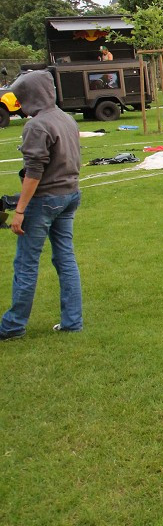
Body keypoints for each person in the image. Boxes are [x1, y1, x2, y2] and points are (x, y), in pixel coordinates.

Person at [1, 70, 83, 340]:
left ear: (30, 96)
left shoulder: (37, 125)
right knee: (65, 258)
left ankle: (12, 326)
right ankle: (73, 321)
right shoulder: (66, 119)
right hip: (70, 194)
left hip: (46, 200)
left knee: (25, 263)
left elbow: (34, 171)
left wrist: (20, 210)